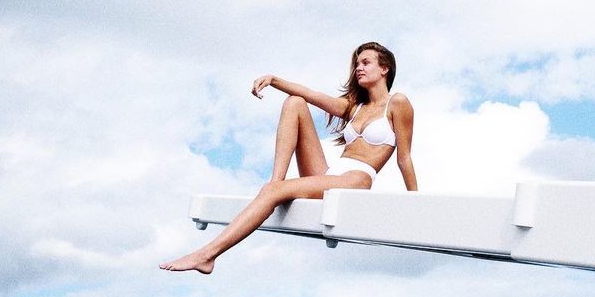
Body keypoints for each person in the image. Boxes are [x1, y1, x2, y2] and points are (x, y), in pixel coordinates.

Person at [159, 41, 417, 274]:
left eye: (366, 62)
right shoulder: (355, 107)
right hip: (330, 175)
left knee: (273, 191)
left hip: (356, 179)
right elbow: (311, 94)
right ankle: (276, 183)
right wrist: (274, 80)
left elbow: (404, 158)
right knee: (295, 102)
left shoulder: (397, 103)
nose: (358, 68)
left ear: (384, 69)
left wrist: (416, 204)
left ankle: (206, 256)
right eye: (357, 64)